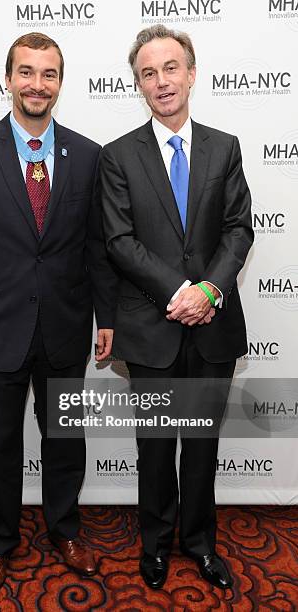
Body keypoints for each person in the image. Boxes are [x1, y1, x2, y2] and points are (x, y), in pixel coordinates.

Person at [0, 33, 117, 599]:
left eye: (50, 74)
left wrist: (105, 317)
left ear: (61, 82)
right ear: (8, 78)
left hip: (64, 324)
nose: (38, 84)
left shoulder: (88, 155)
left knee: (66, 439)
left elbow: (97, 247)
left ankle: (64, 530)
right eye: (28, 72)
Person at [100, 25, 253, 591]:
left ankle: (201, 544)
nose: (161, 81)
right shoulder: (118, 156)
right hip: (152, 328)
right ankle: (155, 545)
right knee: (156, 449)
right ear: (138, 84)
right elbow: (119, 241)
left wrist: (208, 291)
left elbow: (238, 229)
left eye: (170, 68)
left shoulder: (225, 146)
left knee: (203, 448)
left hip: (213, 325)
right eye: (148, 73)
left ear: (191, 73)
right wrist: (178, 293)